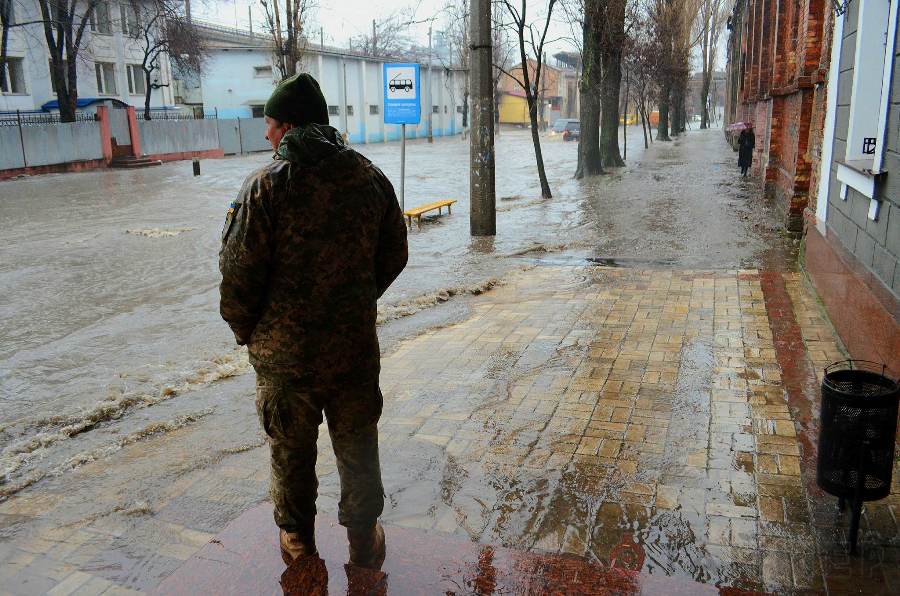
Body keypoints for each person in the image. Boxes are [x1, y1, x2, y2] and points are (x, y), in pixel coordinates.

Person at [219, 73, 408, 570]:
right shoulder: (370, 178)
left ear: (288, 127)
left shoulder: (265, 187)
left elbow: (238, 274)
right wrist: (355, 303)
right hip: (352, 352)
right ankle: (364, 542)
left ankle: (299, 544)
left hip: (286, 360)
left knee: (292, 453)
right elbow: (394, 254)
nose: (266, 135)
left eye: (271, 124)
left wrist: (249, 332)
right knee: (358, 448)